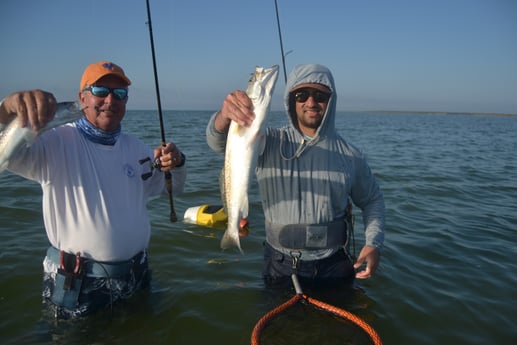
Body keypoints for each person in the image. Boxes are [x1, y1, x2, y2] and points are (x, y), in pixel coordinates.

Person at [0, 61, 186, 317]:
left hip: (137, 278)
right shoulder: (52, 143)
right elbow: (6, 152)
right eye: (101, 91)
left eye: (119, 93)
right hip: (77, 286)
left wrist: (177, 162)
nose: (111, 100)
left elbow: (173, 187)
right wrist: (6, 109)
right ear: (82, 97)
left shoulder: (138, 149)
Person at [206, 63, 385, 287]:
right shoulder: (267, 141)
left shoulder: (351, 156)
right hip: (280, 265)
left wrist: (373, 244)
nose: (311, 102)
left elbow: (372, 200)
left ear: (331, 101)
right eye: (302, 95)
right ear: (292, 100)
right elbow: (218, 142)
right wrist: (224, 116)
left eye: (319, 95)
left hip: (336, 265)